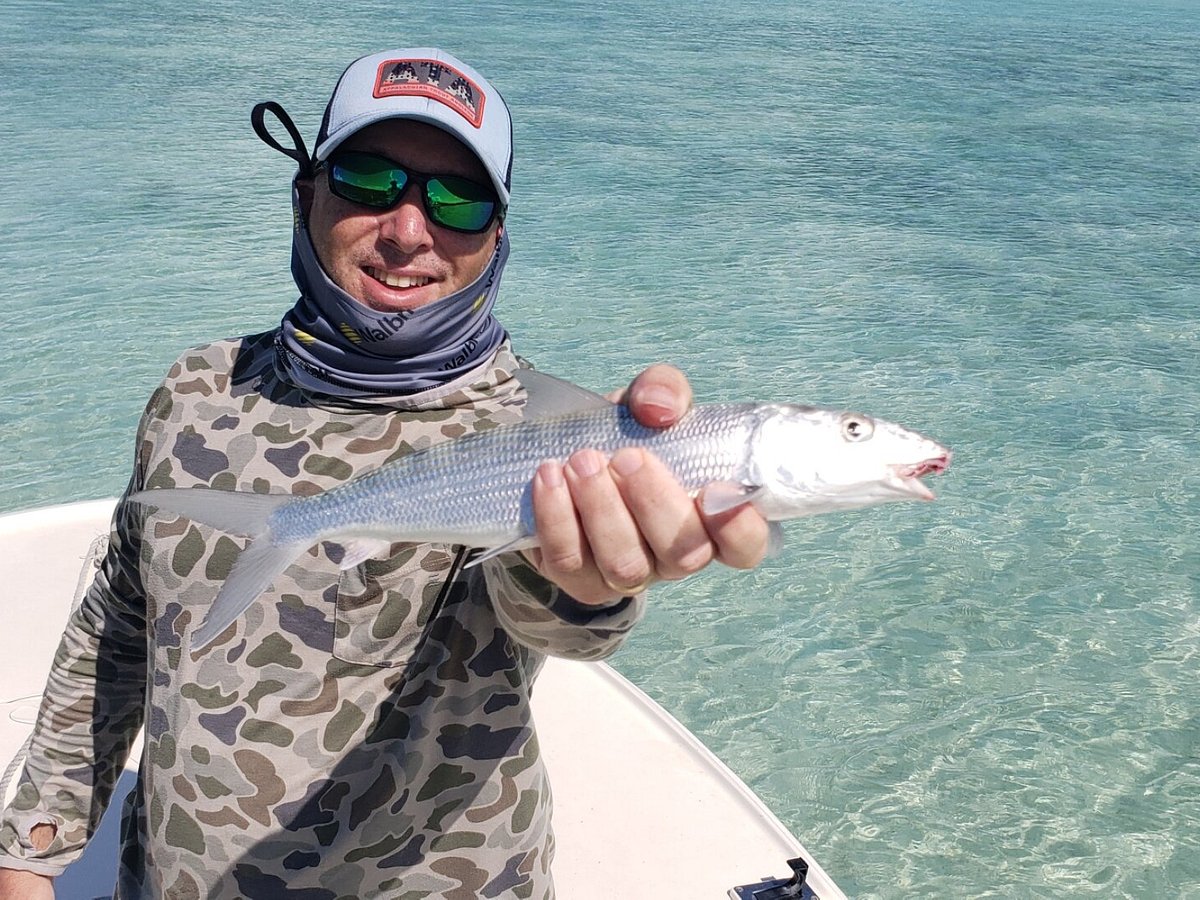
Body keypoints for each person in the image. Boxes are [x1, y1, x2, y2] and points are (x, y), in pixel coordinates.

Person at [0, 48, 768, 899]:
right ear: (306, 193)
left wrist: (590, 581)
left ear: (496, 237)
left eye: (458, 201)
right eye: (370, 179)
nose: (410, 229)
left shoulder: (538, 430)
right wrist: (34, 845)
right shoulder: (196, 390)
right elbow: (118, 624)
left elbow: (561, 626)